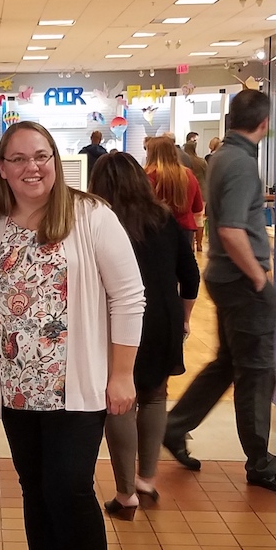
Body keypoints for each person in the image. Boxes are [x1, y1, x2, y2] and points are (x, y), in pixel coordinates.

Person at [0, 121, 143, 550]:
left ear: (56, 160)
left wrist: (121, 374)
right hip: (17, 390)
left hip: (75, 389)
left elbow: (130, 296)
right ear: (2, 168)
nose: (33, 167)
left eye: (43, 156)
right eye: (19, 158)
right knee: (36, 493)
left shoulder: (89, 215)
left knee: (70, 491)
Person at [163, 89, 276, 493]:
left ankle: (174, 426)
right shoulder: (243, 163)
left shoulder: (222, 157)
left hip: (224, 277)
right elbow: (230, 229)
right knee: (257, 372)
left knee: (228, 363)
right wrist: (259, 278)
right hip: (244, 283)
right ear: (264, 124)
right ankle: (260, 463)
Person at [88, 152, 198, 518]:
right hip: (163, 316)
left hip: (117, 321)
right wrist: (183, 318)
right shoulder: (164, 218)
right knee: (154, 395)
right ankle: (146, 479)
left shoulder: (97, 221)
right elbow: (191, 274)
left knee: (119, 401)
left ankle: (124, 495)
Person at [145, 136, 204, 251]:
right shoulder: (188, 175)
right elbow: (198, 208)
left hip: (156, 230)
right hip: (185, 229)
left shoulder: (147, 176)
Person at [182, 134, 209, 251]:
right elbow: (208, 175)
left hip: (187, 190)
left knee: (190, 216)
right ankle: (199, 244)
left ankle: (191, 243)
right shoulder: (201, 161)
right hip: (202, 190)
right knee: (199, 218)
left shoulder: (183, 162)